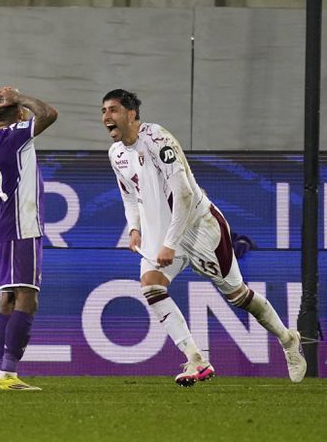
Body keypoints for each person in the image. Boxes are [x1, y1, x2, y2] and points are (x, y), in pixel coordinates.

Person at [101, 88, 306, 386]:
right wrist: (134, 228)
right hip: (163, 234)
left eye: (113, 110)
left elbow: (183, 194)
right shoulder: (116, 154)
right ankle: (196, 357)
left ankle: (287, 339)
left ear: (131, 114)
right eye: (104, 111)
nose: (107, 116)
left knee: (239, 296)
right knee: (150, 287)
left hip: (199, 228)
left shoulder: (158, 140)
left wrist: (170, 243)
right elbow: (130, 196)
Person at [0, 86, 58, 390]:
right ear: (21, 115)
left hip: (6, 221)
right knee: (27, 296)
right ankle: (8, 373)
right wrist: (20, 97)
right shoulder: (13, 137)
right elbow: (49, 114)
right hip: (21, 222)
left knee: (8, 297)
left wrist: (3, 104)